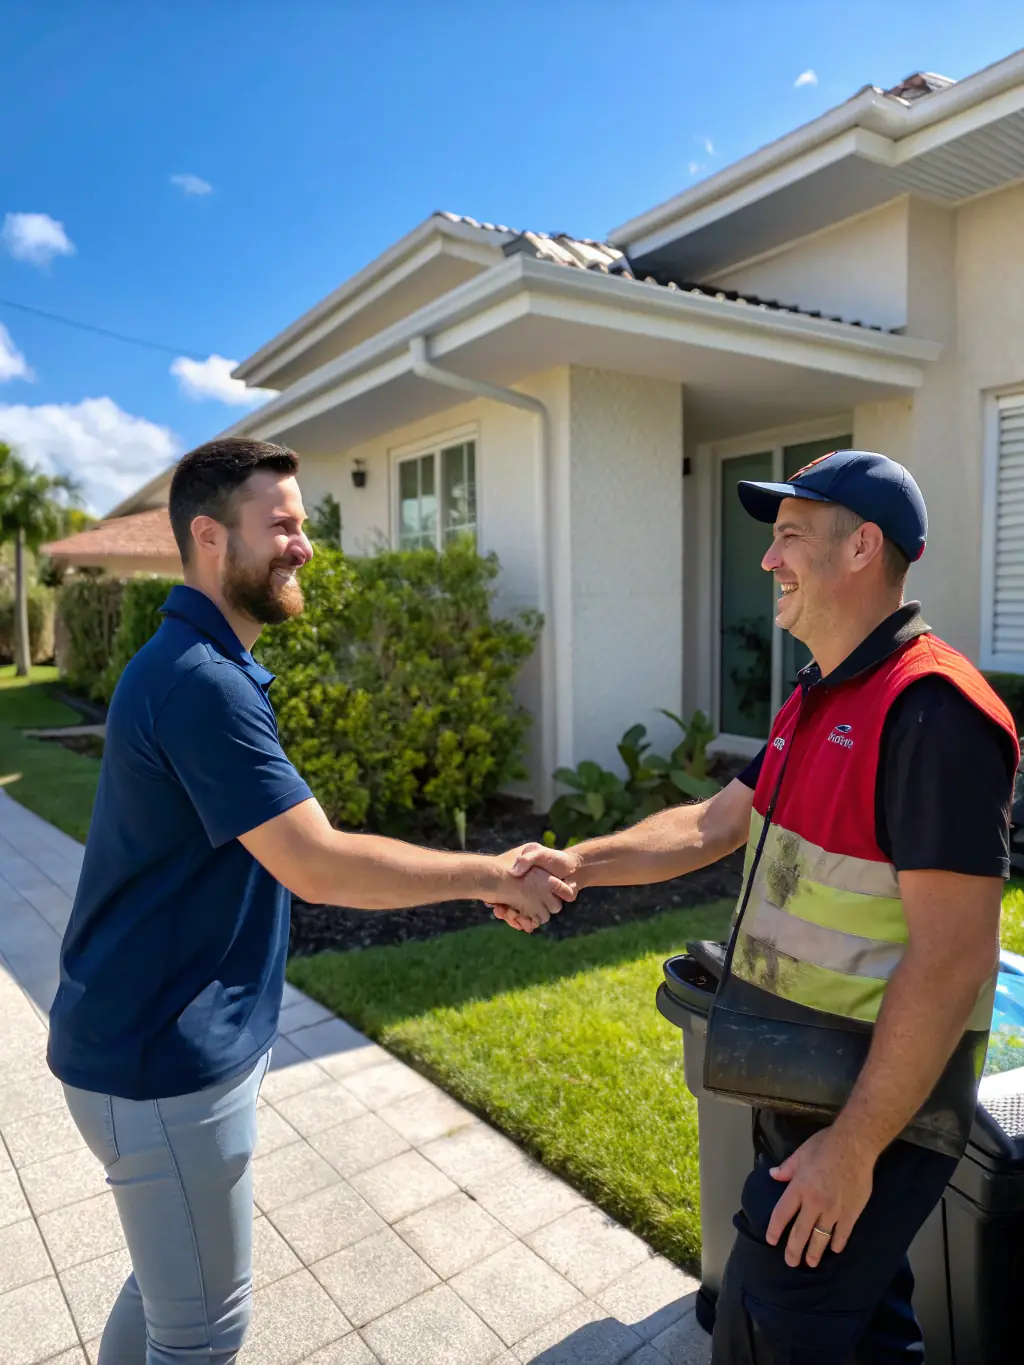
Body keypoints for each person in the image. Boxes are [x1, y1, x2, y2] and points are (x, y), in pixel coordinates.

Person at [47, 437, 573, 1365]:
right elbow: (319, 864)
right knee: (203, 1329)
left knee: (167, 1293)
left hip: (149, 1044)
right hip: (161, 1061)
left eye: (304, 524)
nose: (305, 545)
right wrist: (493, 874)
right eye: (282, 525)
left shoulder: (193, 663)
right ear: (210, 537)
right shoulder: (200, 682)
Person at [497, 449, 1020, 1364]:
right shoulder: (818, 695)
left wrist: (852, 1149)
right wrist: (576, 861)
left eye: (790, 537)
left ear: (862, 546)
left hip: (874, 1108)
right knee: (864, 1326)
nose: (769, 560)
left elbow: (955, 959)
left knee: (767, 1323)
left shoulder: (934, 712)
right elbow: (712, 823)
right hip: (807, 1081)